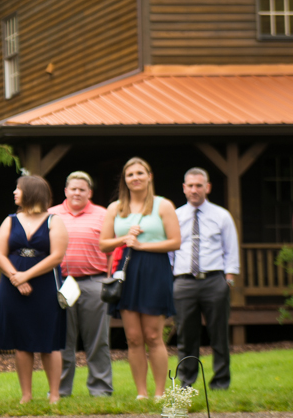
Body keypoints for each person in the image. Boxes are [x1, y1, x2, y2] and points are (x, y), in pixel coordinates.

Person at [100, 157, 181, 399]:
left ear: (149, 176)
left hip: (155, 269)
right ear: (125, 180)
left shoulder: (163, 205)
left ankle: (159, 392)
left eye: (139, 173)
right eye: (130, 174)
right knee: (133, 337)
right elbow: (104, 244)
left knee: (154, 336)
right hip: (126, 271)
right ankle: (141, 393)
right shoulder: (115, 208)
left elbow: (176, 241)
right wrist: (124, 240)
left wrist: (142, 246)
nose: (135, 178)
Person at [0, 175, 68, 404]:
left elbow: (56, 256)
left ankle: (54, 394)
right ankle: (26, 395)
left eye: (19, 188)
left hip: (45, 286)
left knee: (48, 341)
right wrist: (16, 277)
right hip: (13, 285)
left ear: (32, 192)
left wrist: (27, 275)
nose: (14, 192)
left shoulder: (54, 221)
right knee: (21, 341)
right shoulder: (10, 220)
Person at [49, 171, 114, 397]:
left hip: (94, 282)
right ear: (65, 191)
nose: (77, 193)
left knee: (98, 340)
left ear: (90, 193)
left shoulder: (103, 215)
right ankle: (61, 391)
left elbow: (112, 250)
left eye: (82, 189)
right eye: (73, 189)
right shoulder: (52, 214)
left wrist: (108, 278)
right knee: (62, 341)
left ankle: (101, 389)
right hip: (61, 283)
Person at [173, 168, 239, 390]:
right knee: (185, 336)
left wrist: (228, 280)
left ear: (207, 187)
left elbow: (231, 249)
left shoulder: (222, 215)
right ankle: (187, 383)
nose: (194, 190)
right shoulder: (175, 216)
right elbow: (170, 251)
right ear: (184, 188)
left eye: (199, 185)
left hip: (214, 281)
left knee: (218, 334)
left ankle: (221, 382)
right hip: (183, 282)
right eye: (190, 185)